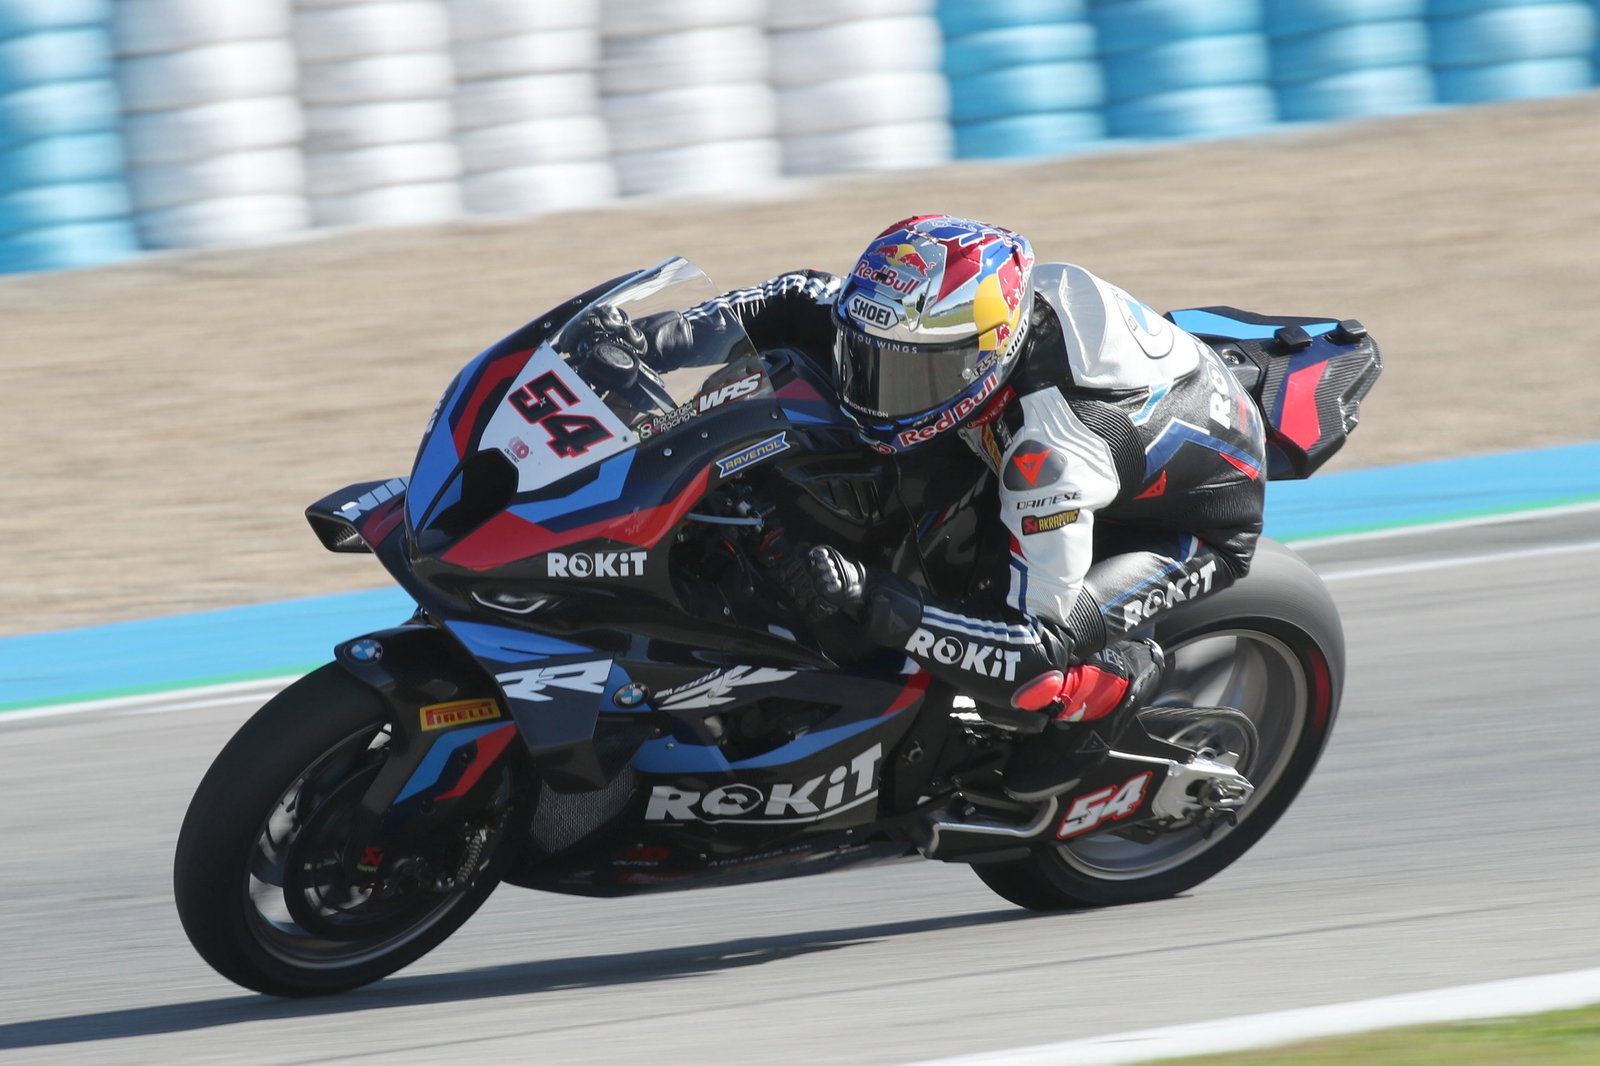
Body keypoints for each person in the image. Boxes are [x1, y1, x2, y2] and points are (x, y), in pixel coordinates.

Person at [658, 216, 1268, 798]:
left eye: (908, 375)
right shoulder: (932, 318)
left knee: (1039, 680)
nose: (874, 387)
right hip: (1093, 428)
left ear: (985, 360)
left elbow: (1034, 642)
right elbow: (796, 299)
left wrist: (871, 596)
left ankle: (1112, 694)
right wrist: (665, 338)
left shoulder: (1048, 455)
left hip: (1188, 519)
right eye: (868, 358)